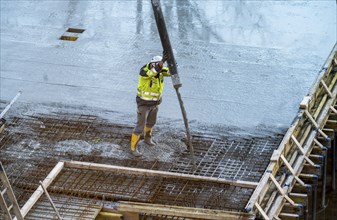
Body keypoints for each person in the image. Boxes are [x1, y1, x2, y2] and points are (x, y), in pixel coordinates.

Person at [130, 55, 170, 156]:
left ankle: (148, 139)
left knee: (151, 123)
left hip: (155, 104)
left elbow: (170, 72)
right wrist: (160, 65)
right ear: (153, 64)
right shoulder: (144, 71)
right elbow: (152, 73)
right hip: (143, 104)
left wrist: (172, 63)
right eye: (158, 65)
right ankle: (133, 148)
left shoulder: (160, 70)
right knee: (140, 127)